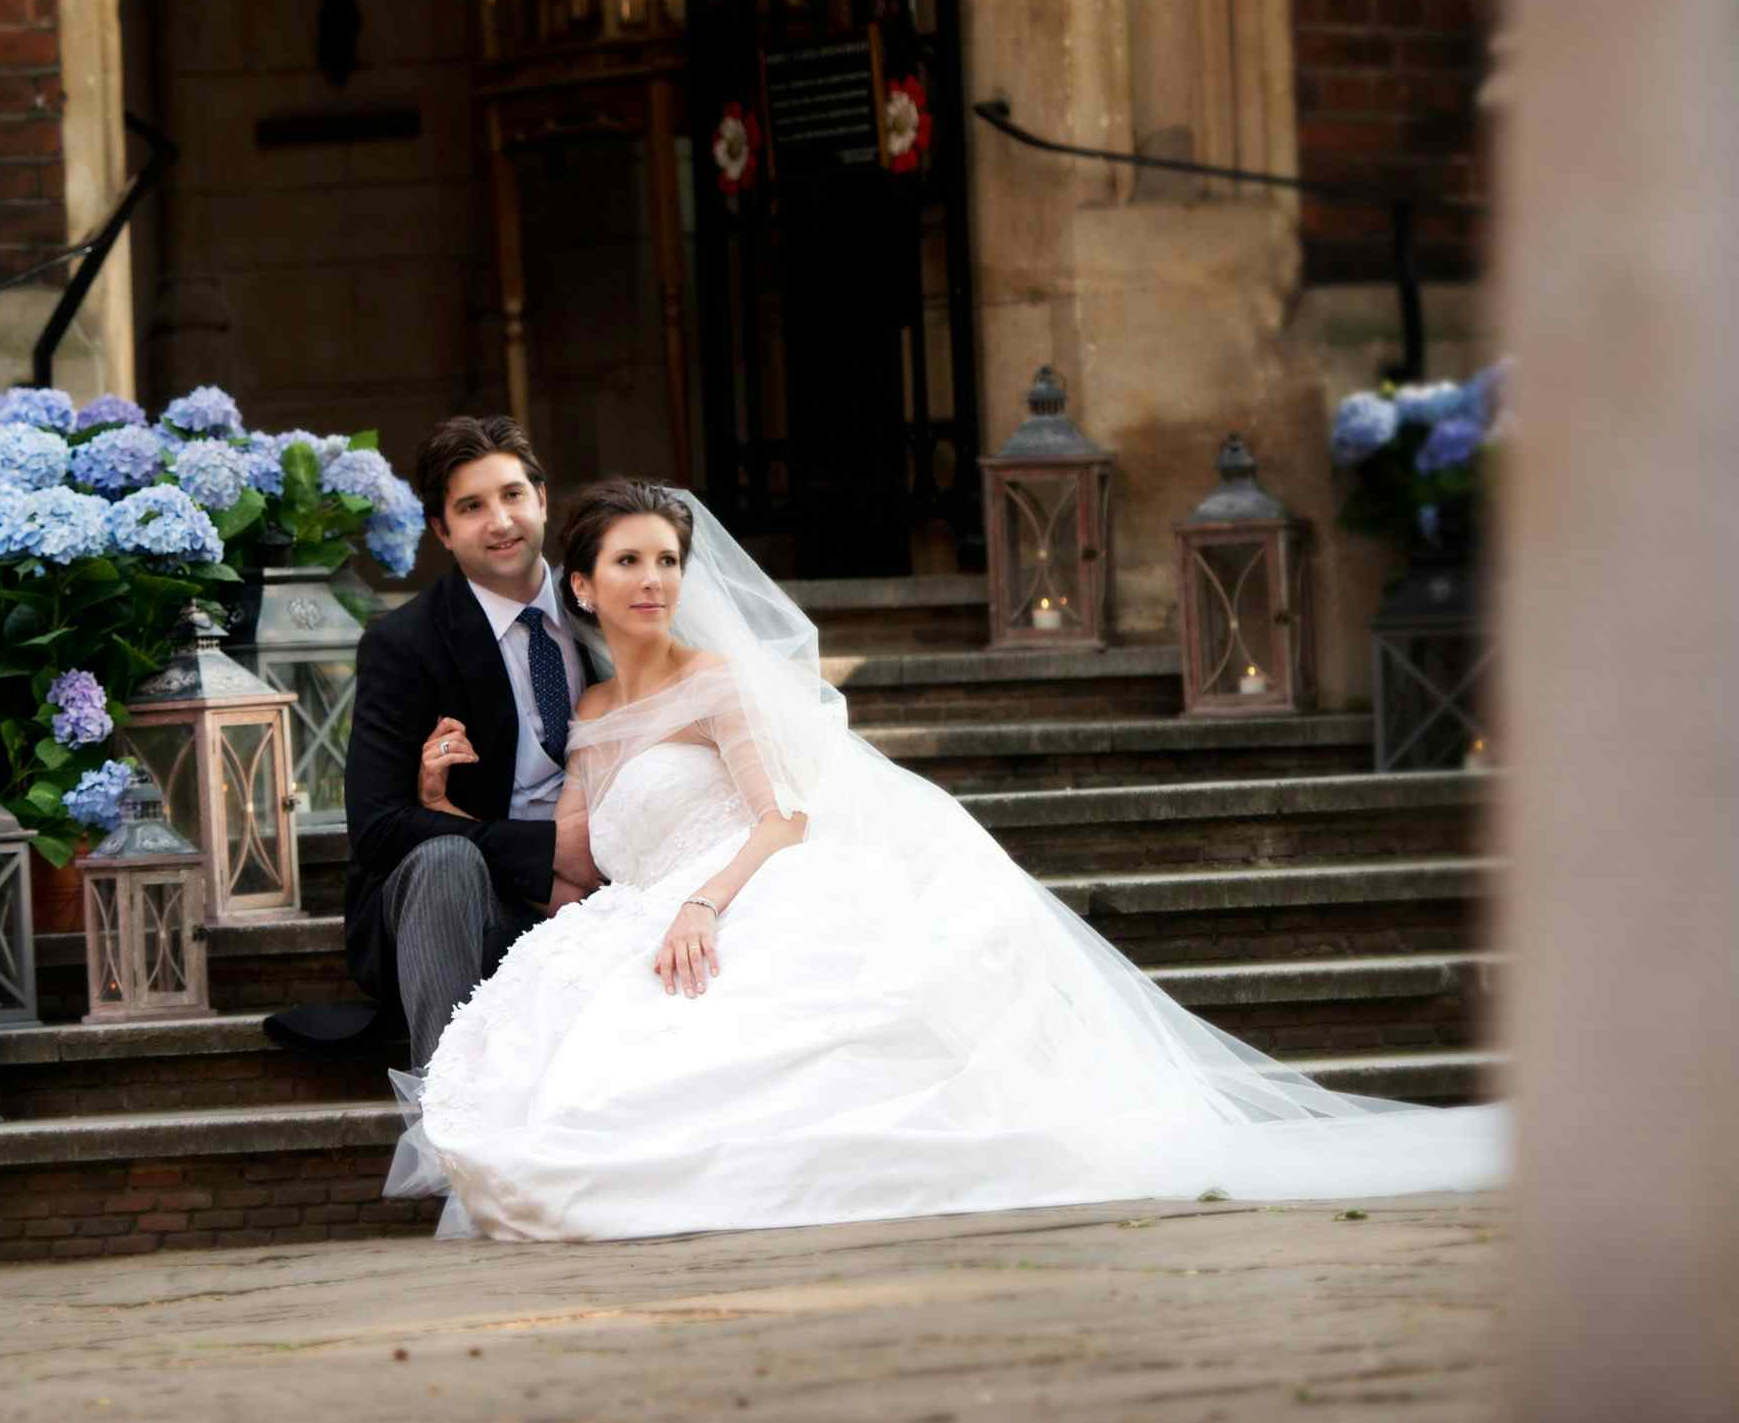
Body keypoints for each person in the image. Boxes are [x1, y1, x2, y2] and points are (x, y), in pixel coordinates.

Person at [390, 477, 1509, 1242]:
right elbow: (577, 865)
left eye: (669, 560)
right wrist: (446, 802)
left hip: (739, 890)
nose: (655, 581)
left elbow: (782, 820)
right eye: (629, 562)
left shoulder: (717, 685)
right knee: (554, 1084)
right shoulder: (586, 715)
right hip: (635, 915)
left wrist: (704, 907)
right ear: (580, 584)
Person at [340, 417, 600, 1071]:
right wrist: (546, 856)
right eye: (471, 507)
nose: (500, 521)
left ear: (542, 498)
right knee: (445, 860)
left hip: (611, 872)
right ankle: (447, 1117)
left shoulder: (609, 605)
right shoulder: (405, 645)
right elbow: (377, 828)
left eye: (512, 495)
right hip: (476, 898)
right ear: (441, 530)